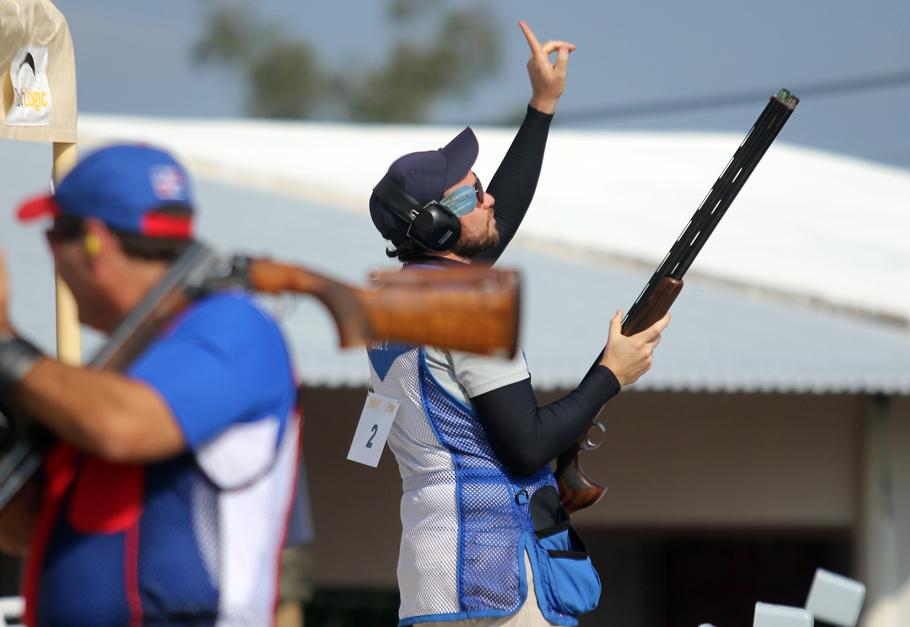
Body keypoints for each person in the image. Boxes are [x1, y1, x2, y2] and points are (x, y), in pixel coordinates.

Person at [367, 20, 670, 627]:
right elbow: (527, 443)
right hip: (491, 583)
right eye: (469, 194)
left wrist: (542, 106)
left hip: (431, 586)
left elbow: (491, 227)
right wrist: (611, 374)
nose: (487, 198)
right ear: (434, 228)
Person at [0, 144, 300, 626]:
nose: (52, 259)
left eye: (55, 235)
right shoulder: (119, 366)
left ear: (95, 242)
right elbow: (23, 527)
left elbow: (122, 427)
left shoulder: (236, 328)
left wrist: (5, 346)